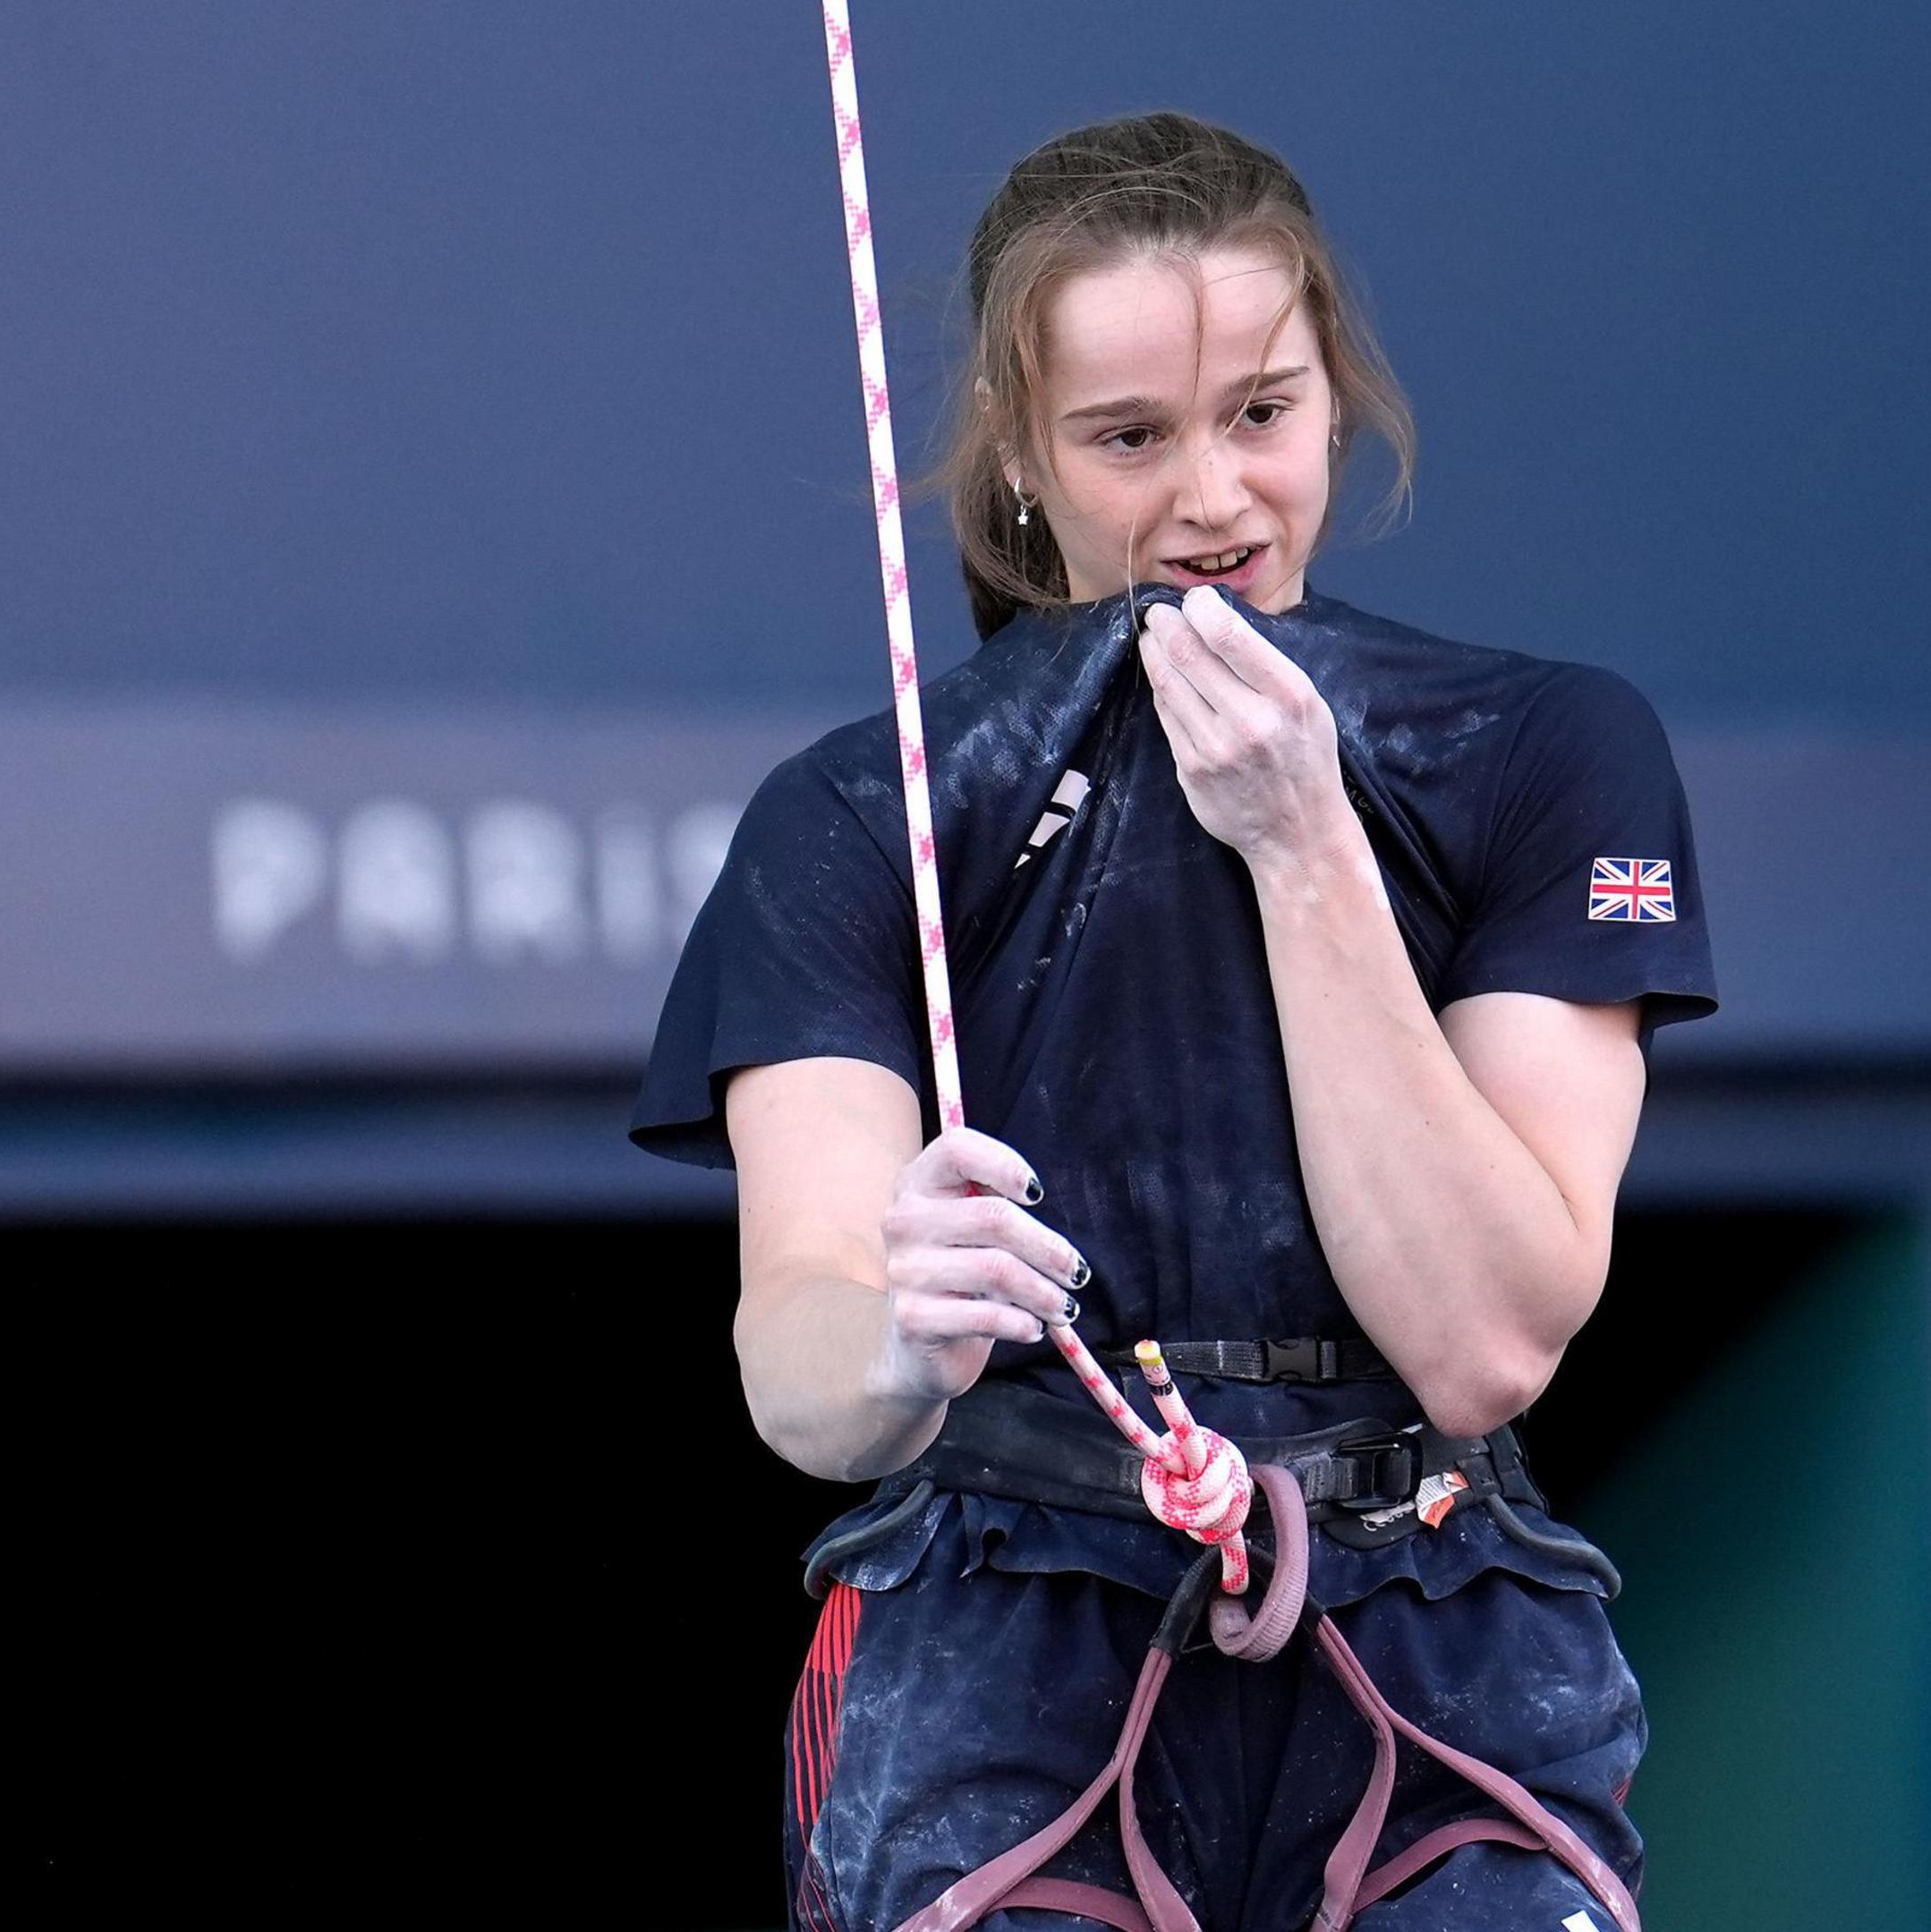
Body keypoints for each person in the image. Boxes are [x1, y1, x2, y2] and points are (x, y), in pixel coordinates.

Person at [634, 111, 1714, 1931]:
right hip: (1004, 1630)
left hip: (1438, 1623)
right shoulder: (865, 811)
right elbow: (801, 1367)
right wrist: (902, 1326)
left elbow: (1488, 1343)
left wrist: (1304, 840)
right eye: (1132, 438)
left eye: (1263, 417)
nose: (1213, 503)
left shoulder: (1547, 748)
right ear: (1024, 463)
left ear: (1339, 407)